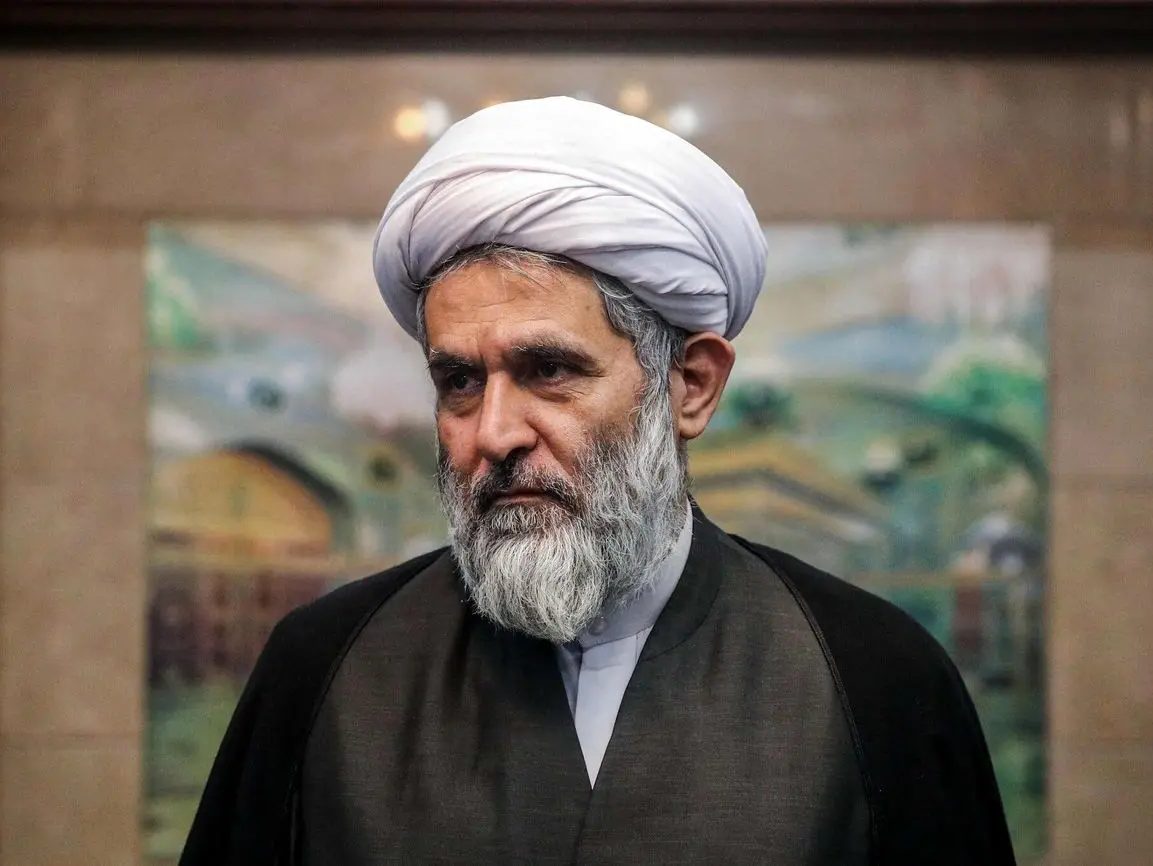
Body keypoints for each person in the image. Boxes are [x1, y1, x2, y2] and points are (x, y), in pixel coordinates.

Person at [180, 97, 1016, 866]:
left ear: (690, 386)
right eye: (459, 382)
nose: (494, 433)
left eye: (549, 370)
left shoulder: (874, 678)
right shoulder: (326, 670)